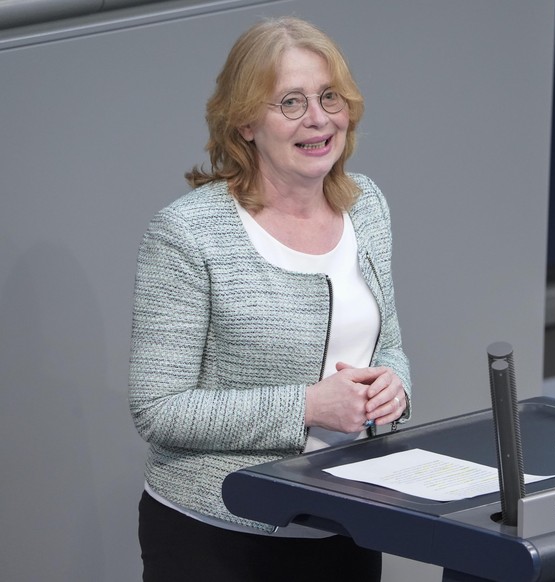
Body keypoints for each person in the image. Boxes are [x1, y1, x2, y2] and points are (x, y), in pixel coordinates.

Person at [129, 16, 411, 582]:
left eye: (329, 96)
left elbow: (388, 346)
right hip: (219, 537)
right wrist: (307, 406)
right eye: (290, 102)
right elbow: (158, 408)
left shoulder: (367, 206)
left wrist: (394, 387)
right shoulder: (188, 234)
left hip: (347, 523)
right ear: (244, 124)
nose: (318, 118)